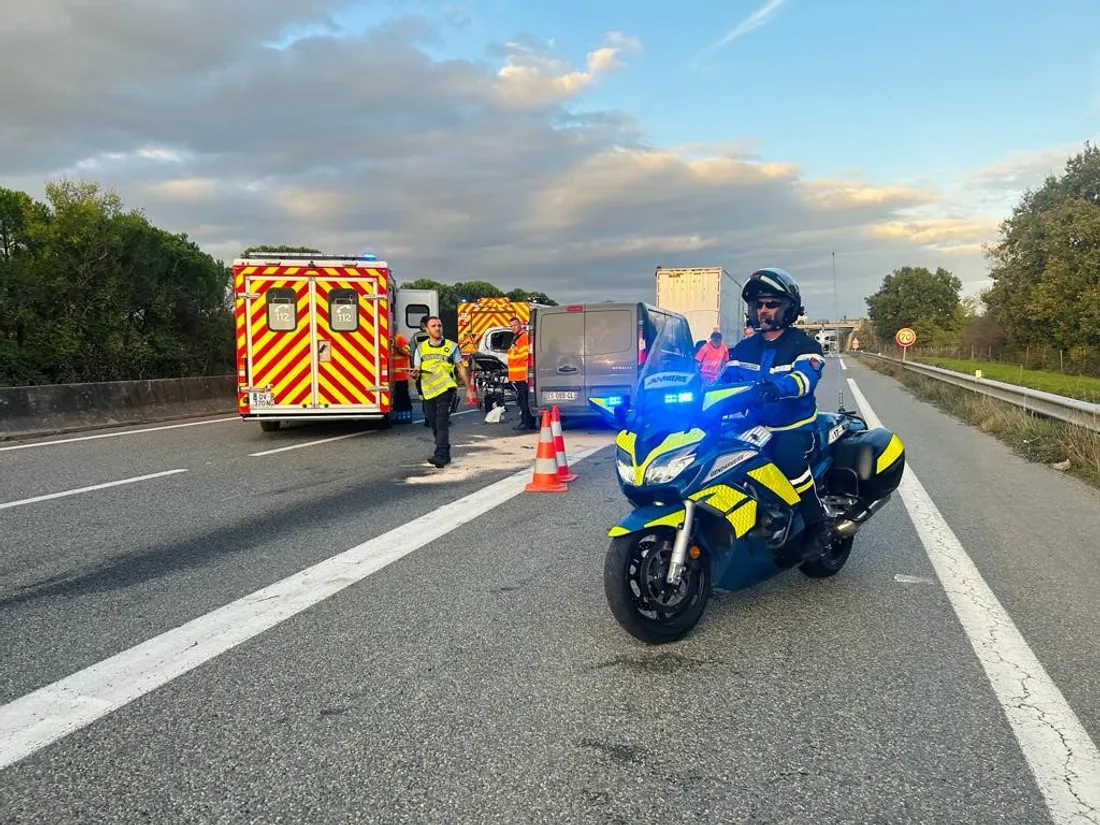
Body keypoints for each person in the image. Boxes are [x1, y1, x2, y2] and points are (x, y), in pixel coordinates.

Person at [723, 267, 829, 561]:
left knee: (788, 458)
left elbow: (805, 378)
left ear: (789, 308)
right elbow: (723, 383)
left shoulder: (805, 345)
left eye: (771, 304)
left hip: (793, 427)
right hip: (754, 426)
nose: (763, 310)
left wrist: (777, 388)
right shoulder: (743, 348)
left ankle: (816, 524)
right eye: (758, 304)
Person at [411, 315, 470, 468]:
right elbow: (417, 369)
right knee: (433, 422)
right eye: (434, 326)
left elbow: (460, 367)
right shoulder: (420, 348)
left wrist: (469, 389)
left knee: (442, 421)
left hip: (446, 389)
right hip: (428, 390)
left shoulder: (451, 346)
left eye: (439, 325)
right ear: (427, 329)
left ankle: (441, 455)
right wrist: (414, 374)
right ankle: (445, 452)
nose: (437, 328)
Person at [507, 316, 537, 430]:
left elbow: (526, 357)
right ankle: (525, 421)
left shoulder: (523, 337)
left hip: (522, 375)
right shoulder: (517, 338)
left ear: (520, 325)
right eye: (511, 326)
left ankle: (527, 422)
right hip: (518, 376)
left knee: (524, 400)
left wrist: (526, 374)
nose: (513, 328)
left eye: (515, 325)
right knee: (522, 400)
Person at [392, 334, 413, 423]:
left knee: (402, 397)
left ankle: (405, 417)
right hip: (390, 377)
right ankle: (399, 416)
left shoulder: (399, 338)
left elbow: (408, 352)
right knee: (396, 399)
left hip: (400, 376)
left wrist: (397, 348)